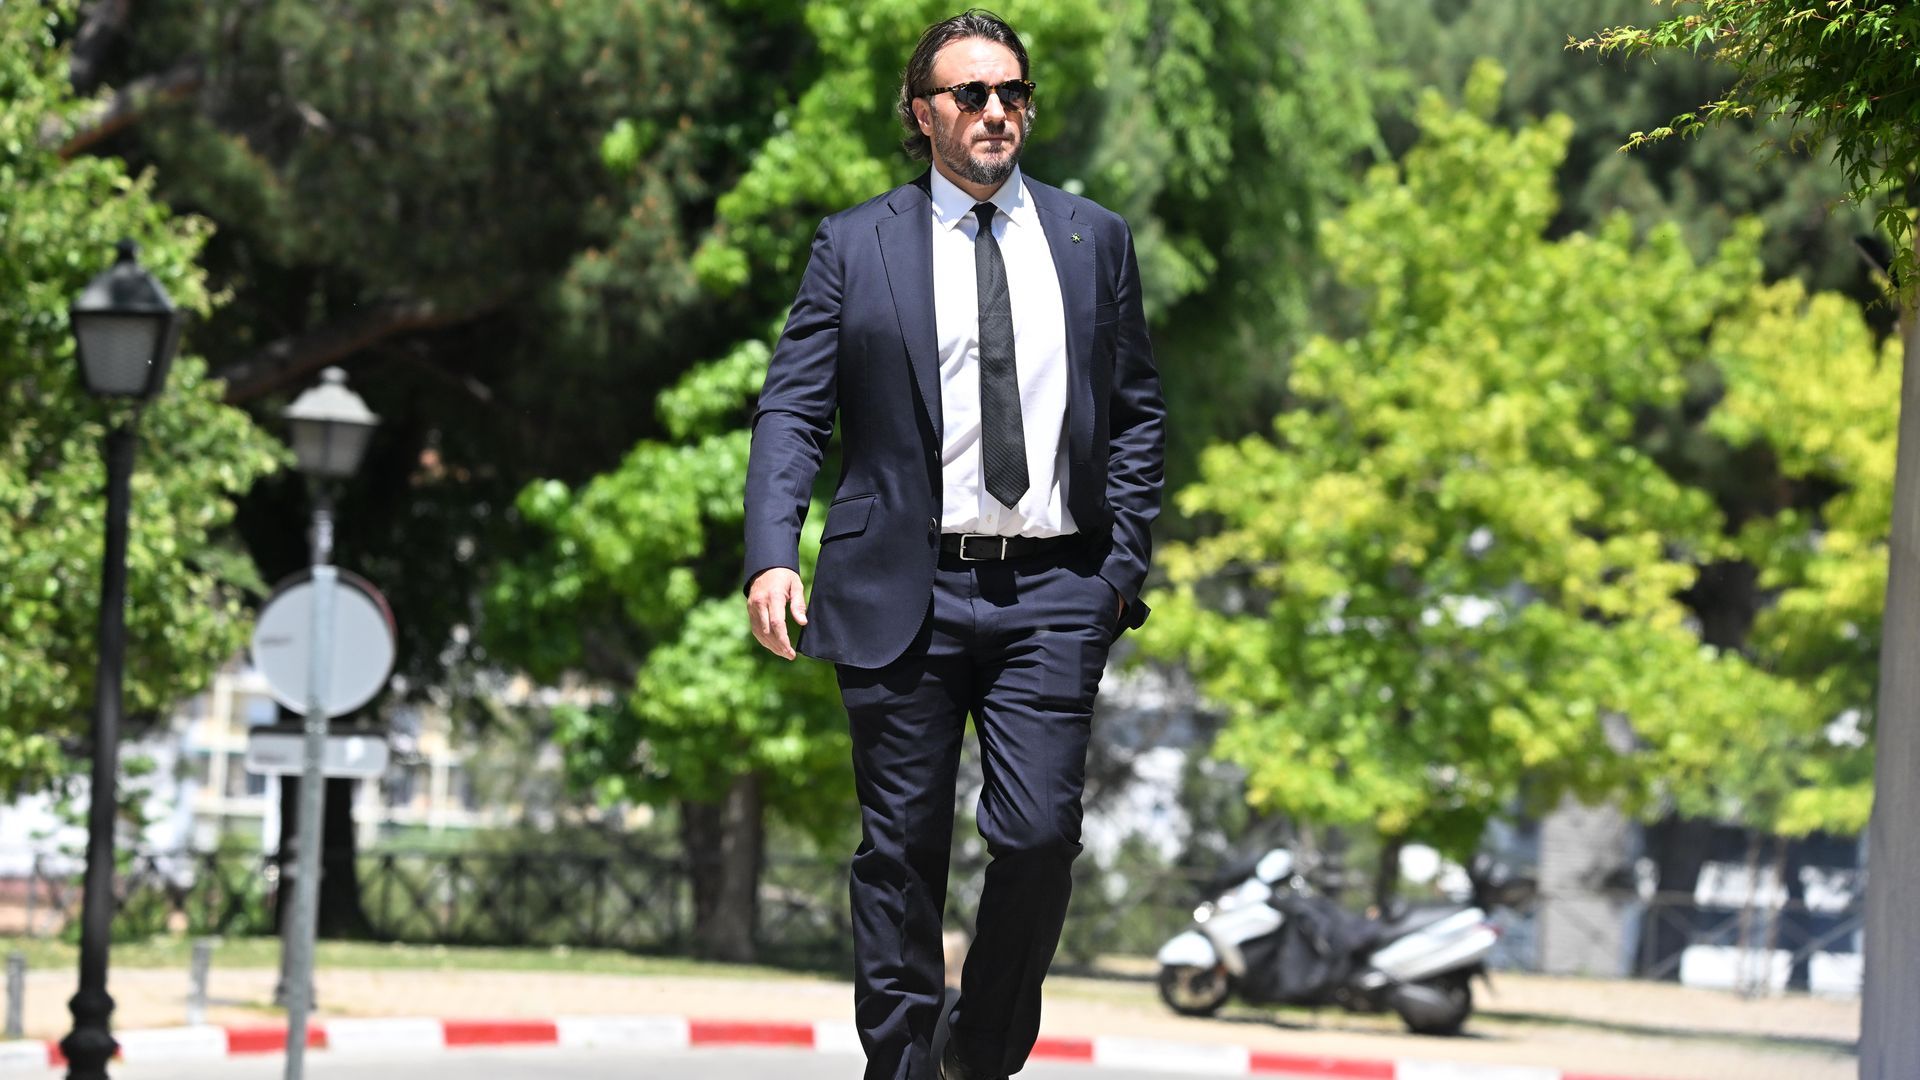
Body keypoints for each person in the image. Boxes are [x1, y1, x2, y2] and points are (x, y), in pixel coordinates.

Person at [743, 9, 1164, 1079]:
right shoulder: (855, 244)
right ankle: (897, 1067)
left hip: (1057, 590)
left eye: (1012, 93)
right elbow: (794, 410)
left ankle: (977, 1054)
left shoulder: (1094, 238)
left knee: (1037, 839)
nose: (995, 112)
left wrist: (1119, 574)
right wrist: (773, 551)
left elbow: (1137, 412)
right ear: (922, 113)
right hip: (901, 586)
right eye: (970, 94)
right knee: (899, 854)